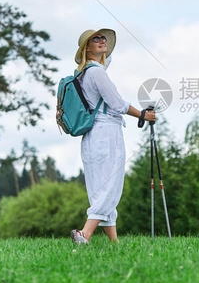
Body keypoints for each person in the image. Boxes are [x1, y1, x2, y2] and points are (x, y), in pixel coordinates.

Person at [70, 28, 155, 244]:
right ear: (86, 48)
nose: (102, 41)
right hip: (106, 133)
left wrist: (103, 54)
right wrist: (143, 115)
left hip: (91, 136)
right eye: (95, 39)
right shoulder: (97, 73)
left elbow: (107, 62)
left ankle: (114, 244)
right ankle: (85, 234)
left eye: (103, 38)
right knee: (109, 188)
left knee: (101, 186)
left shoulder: (84, 73)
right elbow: (117, 104)